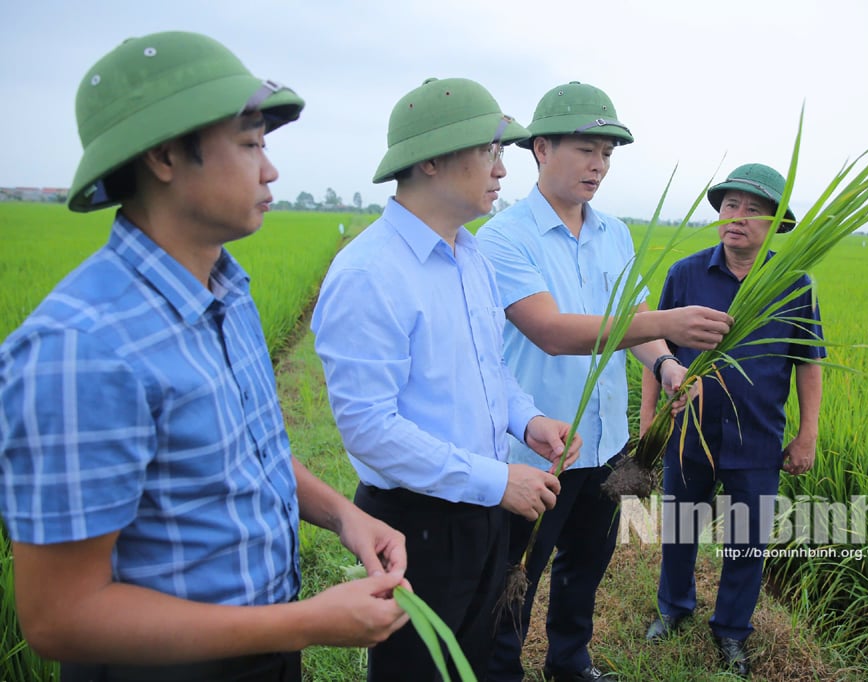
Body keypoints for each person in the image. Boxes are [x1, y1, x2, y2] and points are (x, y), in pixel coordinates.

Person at [0, 31, 411, 682]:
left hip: (267, 645)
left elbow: (247, 454)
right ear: (164, 155)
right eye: (250, 143)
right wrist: (307, 622)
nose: (270, 169)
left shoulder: (227, 290)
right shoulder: (80, 351)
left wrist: (347, 516)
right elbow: (59, 618)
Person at [310, 76, 582, 682]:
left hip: (482, 511)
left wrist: (528, 420)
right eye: (488, 152)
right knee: (418, 670)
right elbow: (371, 431)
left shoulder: (471, 256)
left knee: (475, 662)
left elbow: (491, 371)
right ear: (430, 160)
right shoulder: (369, 274)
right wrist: (496, 481)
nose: (501, 171)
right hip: (414, 525)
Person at [476, 81, 733, 682]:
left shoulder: (614, 233)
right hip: (536, 448)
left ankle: (570, 665)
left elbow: (631, 326)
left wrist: (665, 362)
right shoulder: (503, 238)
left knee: (586, 564)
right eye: (586, 149)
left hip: (604, 439)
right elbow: (551, 330)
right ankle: (500, 673)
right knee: (515, 576)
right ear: (540, 148)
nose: (599, 165)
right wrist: (663, 321)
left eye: (608, 154)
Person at [639, 163, 825, 677]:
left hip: (758, 437)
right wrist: (649, 416)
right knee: (680, 528)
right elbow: (655, 343)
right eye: (729, 206)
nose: (737, 217)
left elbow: (808, 363)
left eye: (752, 209)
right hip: (688, 432)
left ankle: (731, 632)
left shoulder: (793, 284)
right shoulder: (686, 273)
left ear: (775, 224)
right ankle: (674, 609)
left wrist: (807, 435)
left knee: (746, 540)